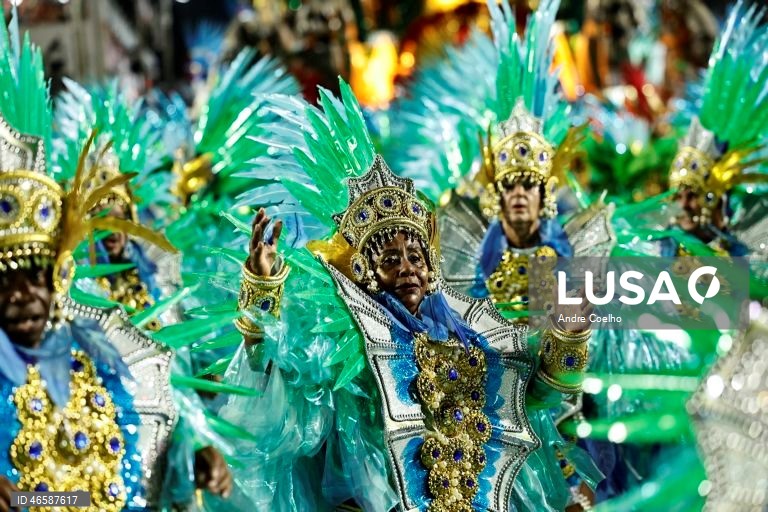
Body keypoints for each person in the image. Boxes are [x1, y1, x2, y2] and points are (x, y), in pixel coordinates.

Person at [209, 78, 596, 511]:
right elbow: (278, 373)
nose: (408, 267)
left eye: (416, 256)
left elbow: (537, 396)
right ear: (365, 272)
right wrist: (262, 294)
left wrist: (570, 335)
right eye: (390, 259)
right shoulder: (351, 343)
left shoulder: (473, 332)